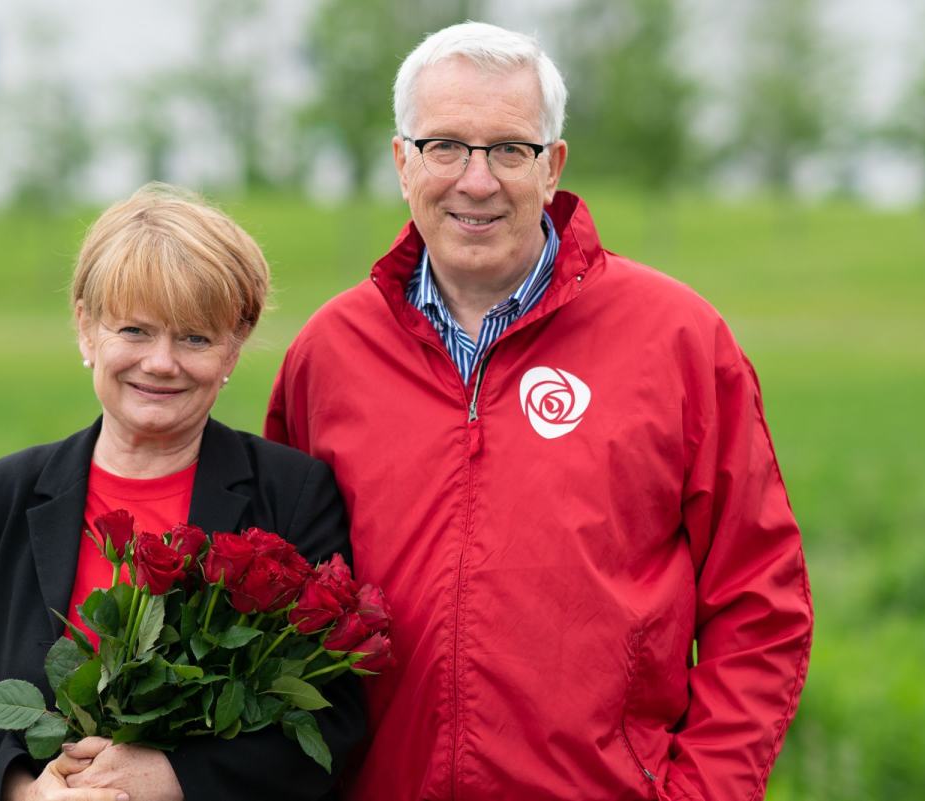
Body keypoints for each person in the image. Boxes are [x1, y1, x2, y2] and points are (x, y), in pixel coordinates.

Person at [265, 21, 813, 801]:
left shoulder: (679, 339)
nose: (476, 180)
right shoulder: (329, 353)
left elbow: (761, 602)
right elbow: (276, 604)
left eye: (509, 150)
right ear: (401, 161)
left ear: (552, 166)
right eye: (445, 146)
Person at [0, 184, 365, 801]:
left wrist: (174, 779)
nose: (160, 362)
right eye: (134, 329)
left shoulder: (292, 494)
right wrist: (27, 792)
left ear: (234, 345)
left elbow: (333, 718)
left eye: (194, 338)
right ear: (85, 328)